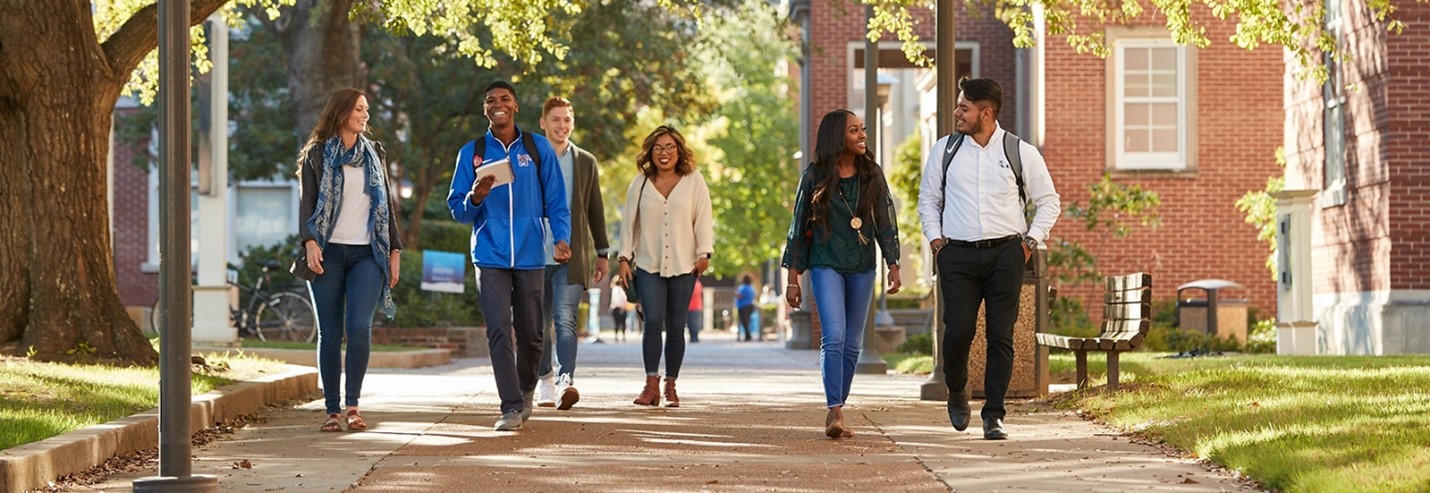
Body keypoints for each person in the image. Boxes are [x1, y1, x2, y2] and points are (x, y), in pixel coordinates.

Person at [916, 78, 1060, 440]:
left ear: (987, 112)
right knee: (958, 332)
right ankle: (956, 391)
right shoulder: (945, 150)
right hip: (958, 256)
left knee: (1001, 336)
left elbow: (1049, 202)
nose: (956, 113)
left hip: (1005, 256)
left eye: (963, 107)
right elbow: (928, 200)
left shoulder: (1019, 151)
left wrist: (1027, 244)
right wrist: (937, 244)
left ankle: (993, 415)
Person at [447, 80, 571, 432]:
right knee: (499, 330)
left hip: (532, 254)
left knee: (533, 333)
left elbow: (557, 201)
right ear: (484, 109)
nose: (497, 104)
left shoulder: (537, 147)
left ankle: (527, 389)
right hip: (489, 255)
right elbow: (458, 210)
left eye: (504, 99)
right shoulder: (471, 152)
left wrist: (561, 238)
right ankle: (511, 406)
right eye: (490, 101)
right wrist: (475, 196)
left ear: (515, 105)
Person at [782, 109, 901, 439]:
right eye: (854, 130)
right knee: (833, 336)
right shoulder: (814, 175)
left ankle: (839, 403)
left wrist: (893, 263)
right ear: (838, 137)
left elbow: (885, 220)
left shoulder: (871, 174)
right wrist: (793, 279)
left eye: (862, 129)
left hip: (862, 265)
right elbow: (798, 228)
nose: (862, 135)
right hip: (825, 263)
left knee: (853, 344)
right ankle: (834, 409)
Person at [297, 88, 404, 433]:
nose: (365, 115)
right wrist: (310, 242)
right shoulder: (317, 155)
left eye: (366, 109)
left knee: (359, 328)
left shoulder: (375, 153)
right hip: (327, 253)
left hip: (366, 254)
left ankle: (353, 406)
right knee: (329, 333)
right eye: (360, 109)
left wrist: (395, 251)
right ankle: (331, 410)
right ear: (343, 112)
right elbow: (308, 203)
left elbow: (387, 206)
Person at [616, 125, 714, 408]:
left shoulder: (694, 180)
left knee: (676, 326)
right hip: (648, 263)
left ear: (679, 150)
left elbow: (703, 217)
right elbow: (628, 223)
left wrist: (704, 252)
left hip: (685, 264)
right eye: (658, 148)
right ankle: (650, 386)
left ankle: (671, 386)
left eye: (670, 147)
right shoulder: (641, 183)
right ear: (650, 153)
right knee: (652, 323)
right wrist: (624, 258)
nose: (664, 153)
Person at [534, 97, 611, 411]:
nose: (561, 126)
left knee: (564, 320)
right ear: (543, 123)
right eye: (555, 119)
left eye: (566, 120)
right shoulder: (530, 158)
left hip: (571, 254)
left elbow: (595, 209)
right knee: (537, 325)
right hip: (535, 254)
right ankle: (545, 381)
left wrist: (603, 251)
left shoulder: (585, 161)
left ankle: (567, 380)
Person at [735, 276, 757, 341]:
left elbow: (739, 295)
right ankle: (747, 336)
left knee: (744, 322)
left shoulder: (743, 288)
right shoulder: (751, 288)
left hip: (743, 306)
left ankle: (748, 336)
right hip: (750, 306)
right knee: (747, 322)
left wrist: (736, 294)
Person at [609, 278, 629, 343]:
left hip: (617, 307)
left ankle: (617, 336)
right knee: (623, 323)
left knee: (617, 323)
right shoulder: (620, 289)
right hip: (621, 307)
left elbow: (615, 299)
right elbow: (623, 299)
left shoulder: (615, 289)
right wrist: (623, 307)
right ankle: (622, 336)